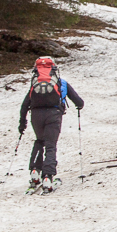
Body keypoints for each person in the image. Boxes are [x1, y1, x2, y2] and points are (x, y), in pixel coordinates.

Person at [17, 57, 84, 193]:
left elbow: (25, 105)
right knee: (50, 145)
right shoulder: (61, 83)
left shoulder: (34, 84)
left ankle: (35, 171)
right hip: (54, 115)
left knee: (39, 141)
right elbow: (79, 102)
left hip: (36, 115)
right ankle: (48, 176)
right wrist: (78, 106)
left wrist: (22, 123)